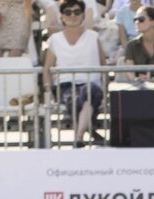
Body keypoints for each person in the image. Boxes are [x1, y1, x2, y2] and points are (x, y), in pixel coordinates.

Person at [41, 0, 106, 147]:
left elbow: (103, 65)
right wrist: (48, 90)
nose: (72, 15)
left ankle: (78, 136)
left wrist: (105, 87)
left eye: (77, 12)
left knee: (89, 92)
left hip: (92, 85)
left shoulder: (93, 37)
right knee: (79, 98)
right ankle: (88, 133)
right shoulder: (54, 40)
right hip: (66, 86)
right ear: (62, 17)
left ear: (83, 15)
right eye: (68, 12)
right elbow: (47, 69)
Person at [122, 4, 154, 81]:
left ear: (153, 22)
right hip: (138, 89)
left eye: (141, 19)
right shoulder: (131, 45)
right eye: (135, 20)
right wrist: (137, 79)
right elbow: (129, 72)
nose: (137, 22)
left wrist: (151, 80)